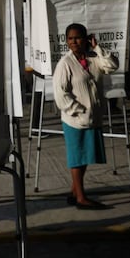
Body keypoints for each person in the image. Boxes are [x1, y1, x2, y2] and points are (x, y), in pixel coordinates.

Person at [53, 23, 119, 210]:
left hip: (92, 118)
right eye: (70, 38)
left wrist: (97, 47)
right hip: (75, 119)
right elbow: (60, 94)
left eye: (78, 37)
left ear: (86, 38)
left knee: (84, 156)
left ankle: (75, 192)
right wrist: (78, 109)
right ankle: (81, 198)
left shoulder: (92, 59)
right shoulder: (65, 64)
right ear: (66, 41)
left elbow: (112, 65)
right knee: (77, 158)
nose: (74, 42)